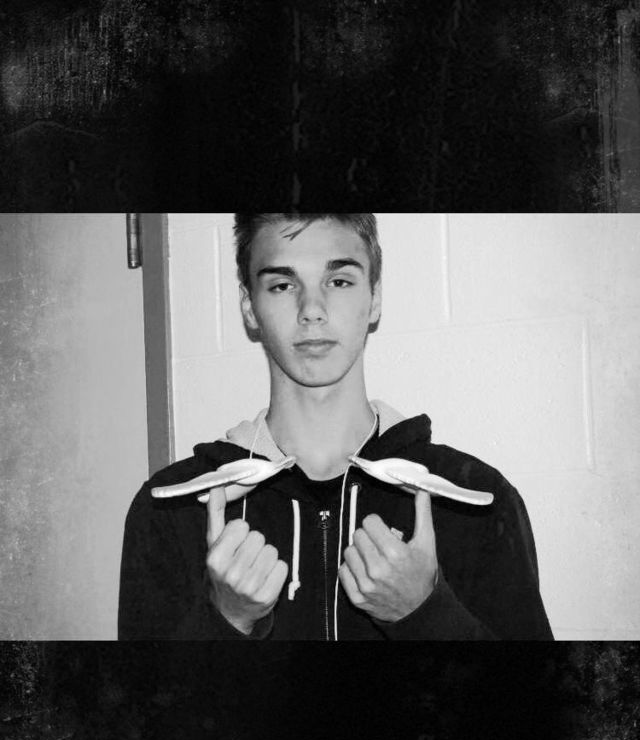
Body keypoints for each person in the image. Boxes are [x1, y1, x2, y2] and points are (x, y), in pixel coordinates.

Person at [118, 214, 553, 641]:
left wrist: (424, 613)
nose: (312, 310)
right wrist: (227, 619)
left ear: (375, 297)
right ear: (249, 307)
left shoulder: (473, 499)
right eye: (282, 285)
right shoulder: (172, 509)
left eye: (339, 281)